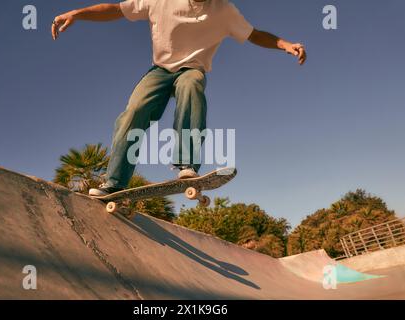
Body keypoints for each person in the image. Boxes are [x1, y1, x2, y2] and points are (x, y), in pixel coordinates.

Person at [51, 0, 307, 196]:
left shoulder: (224, 10)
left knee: (192, 84)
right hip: (160, 70)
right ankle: (115, 182)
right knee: (134, 111)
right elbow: (117, 9)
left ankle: (187, 164)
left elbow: (253, 34)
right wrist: (78, 14)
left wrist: (284, 44)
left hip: (192, 69)